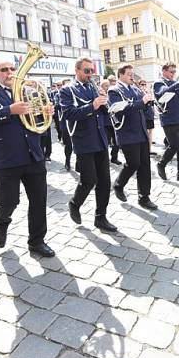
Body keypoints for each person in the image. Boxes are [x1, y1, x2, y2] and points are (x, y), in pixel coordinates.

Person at [0, 61, 55, 257]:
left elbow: (38, 121)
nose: (9, 73)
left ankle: (37, 241)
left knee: (39, 200)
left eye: (12, 69)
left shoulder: (29, 91)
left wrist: (45, 113)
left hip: (33, 154)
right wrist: (9, 110)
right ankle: (2, 224)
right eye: (4, 70)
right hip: (6, 157)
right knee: (9, 201)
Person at [59, 57, 118, 232]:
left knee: (105, 182)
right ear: (77, 71)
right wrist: (92, 105)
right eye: (87, 71)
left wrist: (107, 105)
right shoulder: (67, 90)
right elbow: (68, 113)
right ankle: (75, 203)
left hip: (100, 138)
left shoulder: (93, 87)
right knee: (89, 180)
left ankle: (101, 217)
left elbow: (102, 112)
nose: (90, 74)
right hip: (83, 139)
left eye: (91, 71)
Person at [108, 64, 158, 210]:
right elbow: (121, 110)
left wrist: (148, 100)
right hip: (127, 133)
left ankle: (144, 197)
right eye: (129, 73)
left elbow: (142, 106)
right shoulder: (114, 90)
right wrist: (141, 102)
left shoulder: (135, 88)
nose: (132, 76)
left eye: (132, 73)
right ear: (121, 75)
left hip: (141, 131)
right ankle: (119, 184)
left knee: (145, 166)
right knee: (133, 163)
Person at [153, 62, 179, 183]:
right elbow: (162, 93)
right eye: (171, 72)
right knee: (175, 145)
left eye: (174, 72)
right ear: (164, 71)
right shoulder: (159, 83)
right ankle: (161, 164)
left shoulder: (174, 83)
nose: (173, 74)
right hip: (169, 119)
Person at [100, 80, 121, 165]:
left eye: (108, 85)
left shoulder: (112, 95)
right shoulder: (100, 96)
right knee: (106, 142)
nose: (108, 87)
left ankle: (114, 157)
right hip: (105, 123)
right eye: (106, 86)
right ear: (101, 87)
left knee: (117, 142)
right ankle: (105, 159)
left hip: (113, 122)